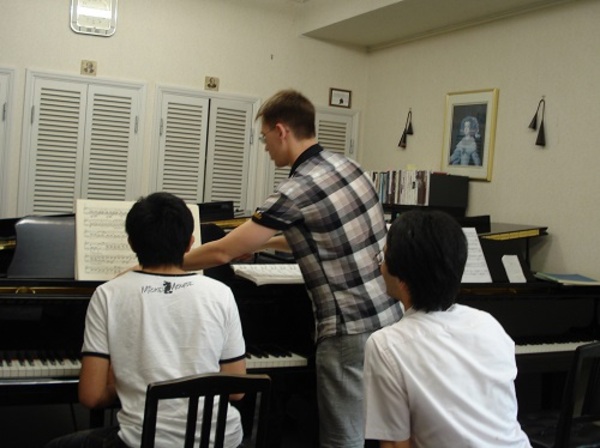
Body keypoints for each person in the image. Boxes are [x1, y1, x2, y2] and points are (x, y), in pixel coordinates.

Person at [182, 89, 403, 448]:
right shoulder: (351, 167)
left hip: (347, 329)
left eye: (264, 137)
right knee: (381, 433)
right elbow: (326, 236)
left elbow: (222, 252)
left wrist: (163, 261)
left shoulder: (295, 190)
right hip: (390, 319)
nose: (265, 147)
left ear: (281, 130)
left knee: (343, 439)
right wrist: (262, 243)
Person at [45, 192, 246, 448]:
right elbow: (236, 390)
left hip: (146, 441)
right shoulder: (221, 293)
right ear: (190, 244)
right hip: (223, 440)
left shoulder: (108, 294)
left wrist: (128, 383)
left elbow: (91, 396)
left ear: (131, 243)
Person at [363, 210, 532, 448]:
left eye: (384, 257)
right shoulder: (488, 324)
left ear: (402, 277)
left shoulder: (386, 345)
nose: (380, 266)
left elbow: (395, 445)